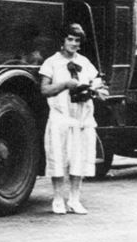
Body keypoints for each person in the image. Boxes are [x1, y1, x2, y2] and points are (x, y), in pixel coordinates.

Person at [38, 23, 108, 215]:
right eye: (70, 39)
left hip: (82, 117)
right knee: (58, 157)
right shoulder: (52, 62)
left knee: (79, 157)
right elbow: (44, 90)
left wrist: (97, 90)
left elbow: (99, 85)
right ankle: (58, 198)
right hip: (61, 117)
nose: (74, 43)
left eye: (77, 40)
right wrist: (65, 84)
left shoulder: (85, 62)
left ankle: (75, 199)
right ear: (62, 40)